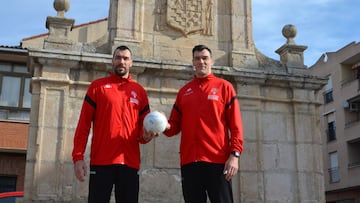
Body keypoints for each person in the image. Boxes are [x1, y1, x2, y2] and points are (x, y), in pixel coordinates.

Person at [72, 45, 157, 203]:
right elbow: (83, 125)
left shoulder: (139, 92)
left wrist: (146, 136)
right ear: (112, 61)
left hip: (130, 163)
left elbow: (143, 132)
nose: (121, 61)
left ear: (131, 62)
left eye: (125, 58)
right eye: (118, 58)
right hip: (102, 162)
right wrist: (78, 157)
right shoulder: (97, 87)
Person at [163, 44, 244, 203]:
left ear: (211, 61)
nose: (201, 62)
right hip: (190, 162)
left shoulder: (224, 87)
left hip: (218, 161)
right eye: (197, 58)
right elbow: (173, 127)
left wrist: (234, 155)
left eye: (205, 58)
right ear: (193, 62)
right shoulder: (184, 91)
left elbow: (236, 125)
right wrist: (162, 125)